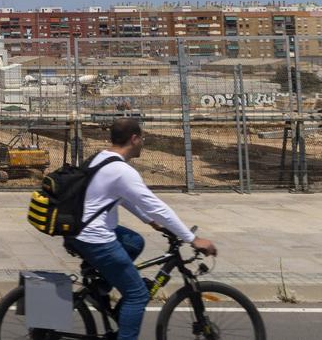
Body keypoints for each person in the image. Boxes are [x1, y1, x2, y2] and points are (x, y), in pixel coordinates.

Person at [69, 118, 218, 340]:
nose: (143, 143)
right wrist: (191, 238)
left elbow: (123, 198)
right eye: (142, 138)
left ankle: (102, 286)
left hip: (79, 229)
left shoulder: (102, 158)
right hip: (94, 237)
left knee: (134, 242)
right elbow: (158, 207)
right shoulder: (122, 170)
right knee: (137, 295)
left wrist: (148, 220)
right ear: (134, 138)